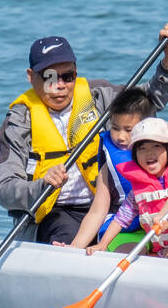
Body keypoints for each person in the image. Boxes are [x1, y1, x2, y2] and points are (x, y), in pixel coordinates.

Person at [0, 23, 168, 246]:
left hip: (108, 205)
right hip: (56, 213)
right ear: (31, 76)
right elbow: (4, 189)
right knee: (68, 237)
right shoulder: (18, 122)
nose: (59, 86)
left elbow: (151, 99)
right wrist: (41, 185)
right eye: (50, 77)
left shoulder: (100, 96)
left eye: (67, 76)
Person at [66, 87, 160, 252]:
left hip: (160, 224)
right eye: (115, 128)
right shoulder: (109, 164)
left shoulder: (163, 154)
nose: (120, 136)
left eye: (129, 130)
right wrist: (74, 248)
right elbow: (97, 212)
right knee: (130, 251)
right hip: (125, 230)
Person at [90, 118, 168, 257]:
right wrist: (103, 244)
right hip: (163, 245)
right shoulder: (138, 190)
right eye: (142, 148)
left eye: (156, 146)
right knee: (125, 251)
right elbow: (121, 218)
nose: (149, 153)